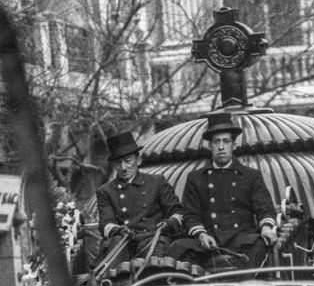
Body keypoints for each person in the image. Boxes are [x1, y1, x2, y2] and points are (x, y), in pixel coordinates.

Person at [177, 112, 277, 269]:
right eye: (216, 142)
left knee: (258, 245)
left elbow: (264, 208)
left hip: (241, 239)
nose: (221, 147)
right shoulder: (196, 178)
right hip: (209, 241)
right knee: (178, 249)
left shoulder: (250, 176)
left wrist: (266, 228)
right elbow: (190, 215)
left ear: (234, 145)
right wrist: (201, 234)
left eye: (226, 141)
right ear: (210, 146)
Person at [96, 131, 183, 259]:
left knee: (154, 260)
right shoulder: (105, 191)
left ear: (138, 160)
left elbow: (177, 211)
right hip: (124, 241)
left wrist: (168, 223)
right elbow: (106, 223)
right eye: (118, 163)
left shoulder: (157, 182)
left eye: (128, 161)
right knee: (112, 258)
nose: (123, 167)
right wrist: (119, 230)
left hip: (154, 239)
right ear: (113, 165)